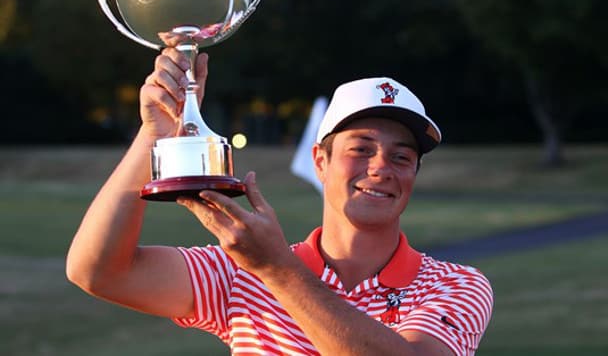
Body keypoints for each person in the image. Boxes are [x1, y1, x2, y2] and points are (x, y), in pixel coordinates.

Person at [66, 48, 494, 355]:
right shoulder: (238, 275)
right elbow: (99, 271)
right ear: (320, 161)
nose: (381, 167)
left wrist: (277, 270)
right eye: (360, 149)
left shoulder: (455, 286)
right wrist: (152, 136)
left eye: (402, 156)